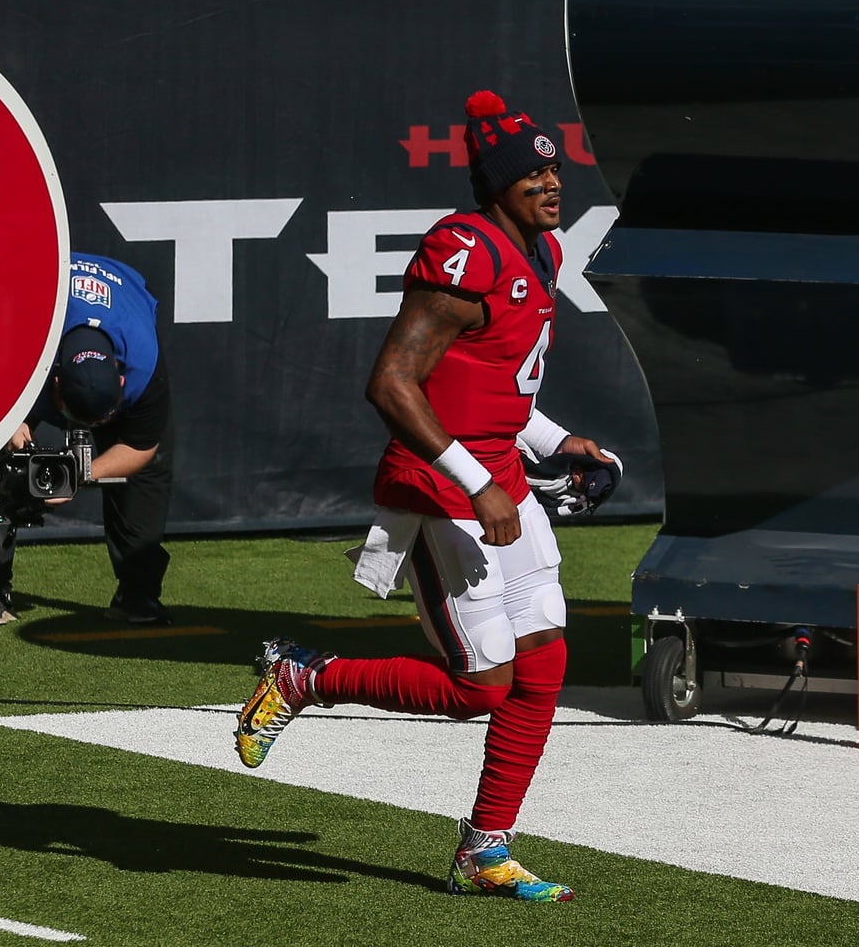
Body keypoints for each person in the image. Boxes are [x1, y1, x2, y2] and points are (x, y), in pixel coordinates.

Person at [234, 90, 618, 903]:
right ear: (497, 184)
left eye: (554, 167)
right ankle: (304, 675)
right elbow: (392, 383)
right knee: (478, 685)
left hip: (498, 475)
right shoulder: (464, 253)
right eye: (532, 173)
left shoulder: (539, 250)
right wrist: (478, 485)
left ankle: (485, 848)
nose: (552, 182)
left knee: (543, 663)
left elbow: (494, 383)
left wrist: (555, 441)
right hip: (443, 488)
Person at [0, 252, 175, 626]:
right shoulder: (21, 337)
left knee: (148, 471)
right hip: (27, 336)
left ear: (121, 378)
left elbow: (140, 445)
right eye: (79, 417)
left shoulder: (143, 360)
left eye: (101, 419)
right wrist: (7, 422)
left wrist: (78, 475)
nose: (92, 425)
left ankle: (138, 593)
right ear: (54, 380)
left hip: (120, 299)